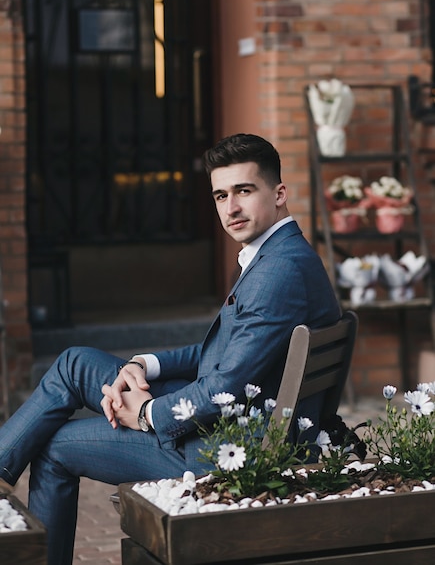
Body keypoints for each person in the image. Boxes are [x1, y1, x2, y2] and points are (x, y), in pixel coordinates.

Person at [0, 133, 341, 564]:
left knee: (53, 445)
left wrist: (145, 414)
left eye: (244, 191)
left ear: (278, 194)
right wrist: (143, 364)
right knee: (75, 363)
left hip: (227, 443)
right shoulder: (277, 255)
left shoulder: (279, 272)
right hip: (225, 419)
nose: (230, 208)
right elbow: (221, 354)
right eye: (221, 195)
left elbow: (229, 385)